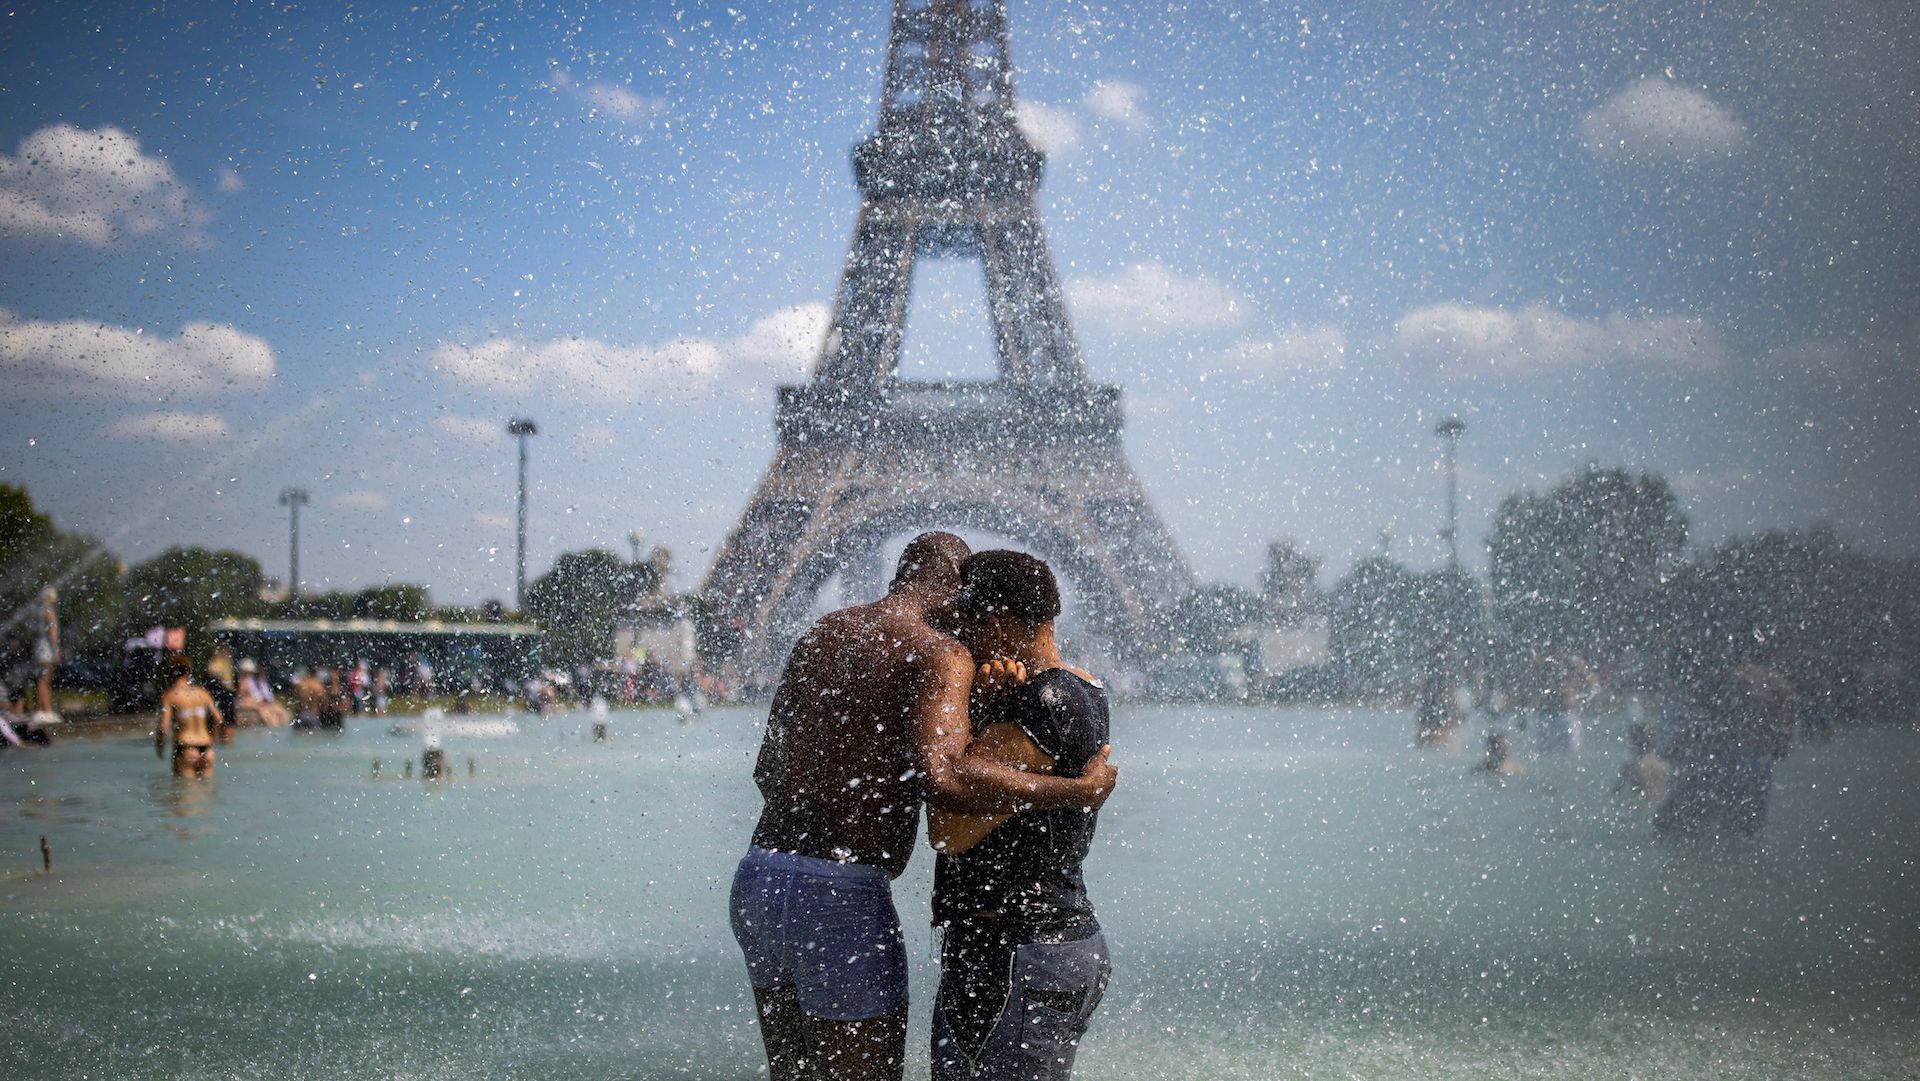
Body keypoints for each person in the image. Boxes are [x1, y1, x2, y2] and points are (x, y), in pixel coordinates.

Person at [731, 533, 1117, 1081]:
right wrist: (1077, 792)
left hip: (759, 881)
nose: (967, 626)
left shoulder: (823, 633)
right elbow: (944, 780)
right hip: (842, 892)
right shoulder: (940, 651)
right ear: (952, 593)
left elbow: (768, 771)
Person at [926, 551, 1112, 1081]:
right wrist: (988, 705)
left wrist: (974, 709)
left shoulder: (1039, 700)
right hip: (1054, 942)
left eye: (966, 623)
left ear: (996, 621)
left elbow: (948, 829)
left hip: (1013, 953)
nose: (959, 641)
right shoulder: (1086, 689)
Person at [156, 655, 221, 776]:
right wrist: (212, 737)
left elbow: (163, 727)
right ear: (188, 672)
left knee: (186, 792)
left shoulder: (170, 696)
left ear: (170, 673)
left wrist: (159, 748)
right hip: (207, 749)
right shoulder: (202, 692)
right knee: (207, 791)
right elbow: (218, 718)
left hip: (187, 749)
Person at [1614, 722, 1670, 806]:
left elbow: (1616, 792)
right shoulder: (1663, 765)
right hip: (1661, 807)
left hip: (1642, 807)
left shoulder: (1631, 767)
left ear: (1633, 742)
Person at [235, 658, 291, 727]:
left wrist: (265, 702)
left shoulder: (257, 681)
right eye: (246, 673)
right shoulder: (242, 682)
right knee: (265, 712)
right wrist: (259, 704)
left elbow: (266, 696)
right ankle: (274, 730)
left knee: (282, 711)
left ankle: (283, 731)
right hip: (247, 703)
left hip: (257, 702)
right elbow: (242, 698)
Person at [32, 587, 59, 717]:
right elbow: (52, 632)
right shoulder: (49, 611)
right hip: (46, 647)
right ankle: (46, 710)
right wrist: (55, 649)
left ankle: (39, 710)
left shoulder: (40, 610)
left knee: (42, 678)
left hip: (40, 646)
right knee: (45, 679)